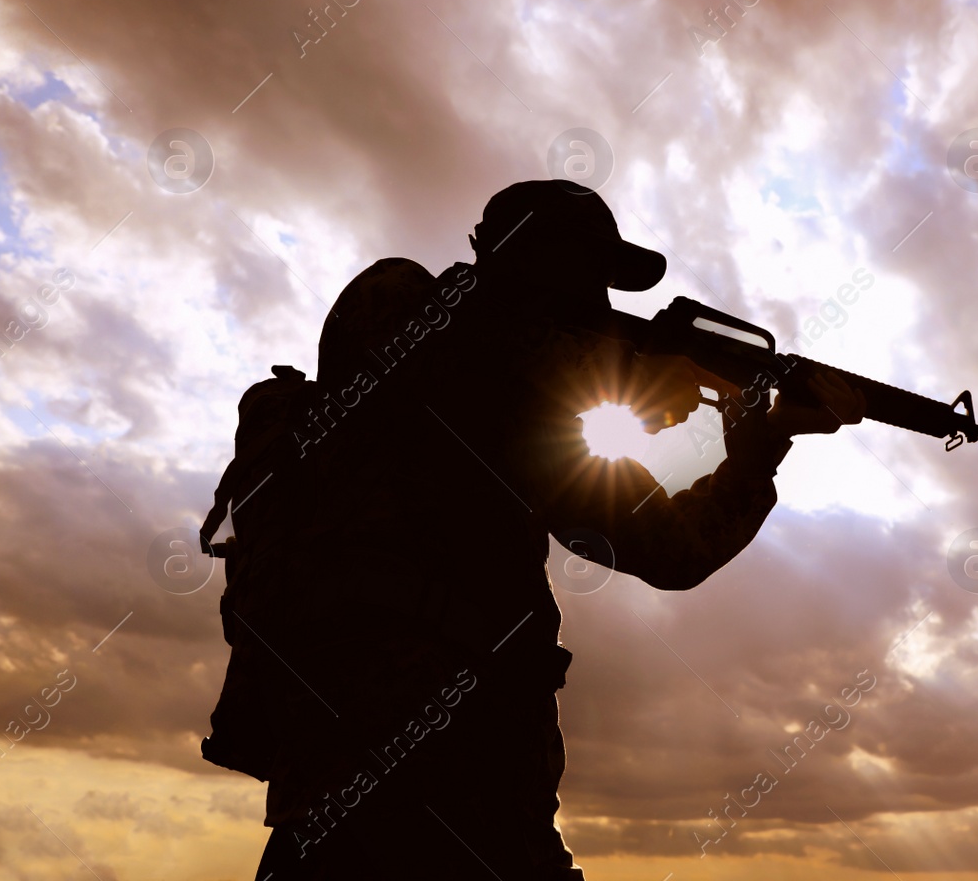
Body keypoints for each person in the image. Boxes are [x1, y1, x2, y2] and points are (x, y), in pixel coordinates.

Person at [246, 179, 866, 879]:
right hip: (384, 772)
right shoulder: (405, 312)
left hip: (478, 786)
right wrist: (619, 375)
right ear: (517, 259)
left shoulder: (532, 427)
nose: (598, 304)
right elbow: (451, 359)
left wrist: (763, 443)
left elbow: (669, 550)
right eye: (583, 275)